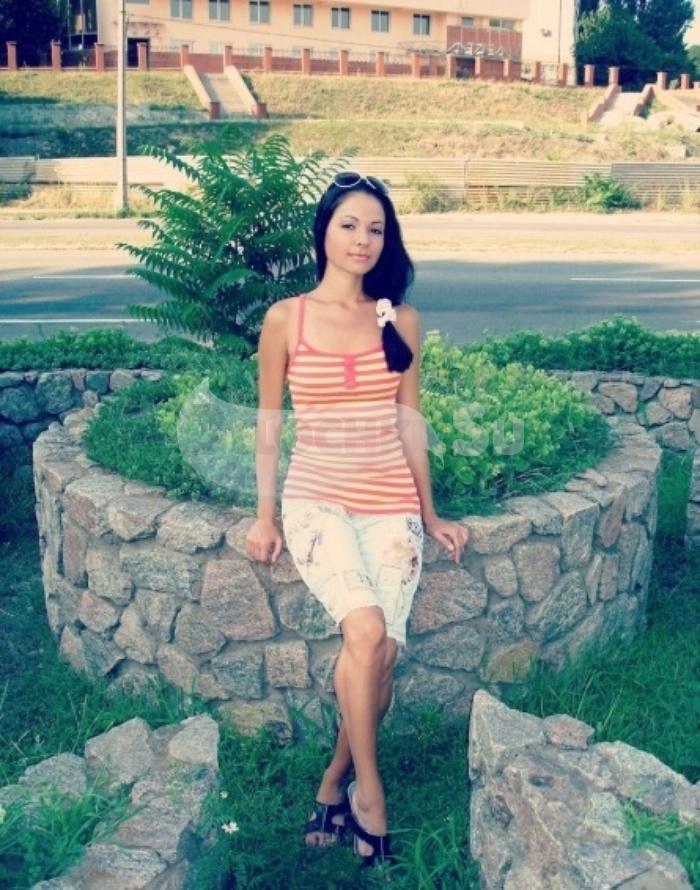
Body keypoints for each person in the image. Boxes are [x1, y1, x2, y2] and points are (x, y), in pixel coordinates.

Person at [245, 171, 470, 868]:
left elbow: (409, 422)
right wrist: (264, 515)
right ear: (324, 233)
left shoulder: (399, 320)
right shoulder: (287, 318)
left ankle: (332, 780)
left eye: (376, 228)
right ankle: (369, 795)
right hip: (317, 498)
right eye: (349, 225)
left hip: (390, 501)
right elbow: (269, 425)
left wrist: (431, 513)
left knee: (382, 656)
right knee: (366, 631)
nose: (362, 240)